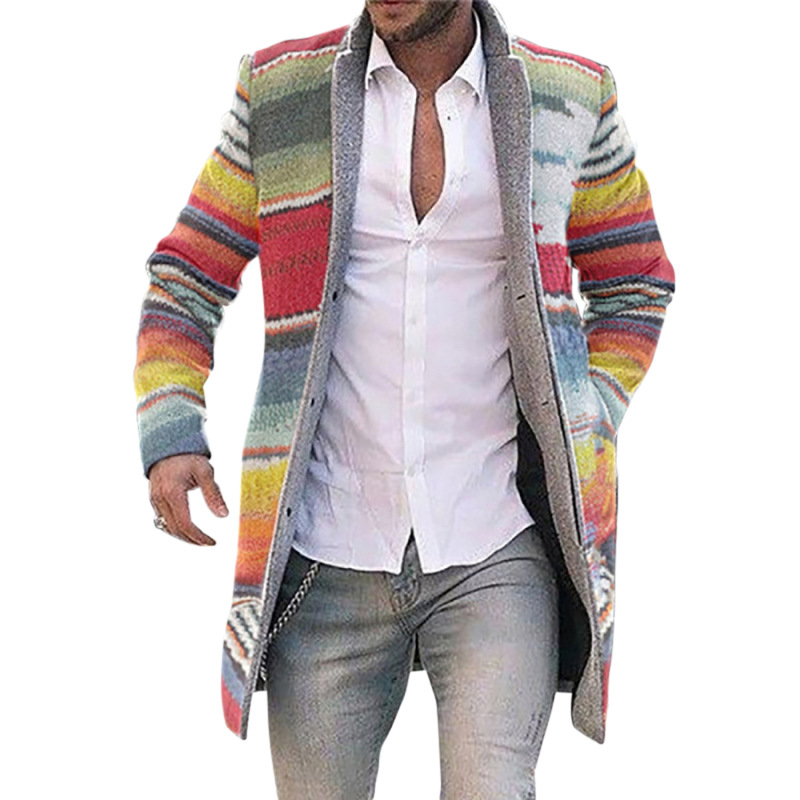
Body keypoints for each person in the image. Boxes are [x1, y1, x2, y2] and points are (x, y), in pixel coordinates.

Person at [134, 0, 675, 797]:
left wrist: (584, 413)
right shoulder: (280, 92)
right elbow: (185, 278)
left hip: (495, 542)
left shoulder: (572, 97)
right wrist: (172, 430)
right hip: (326, 553)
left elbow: (636, 281)